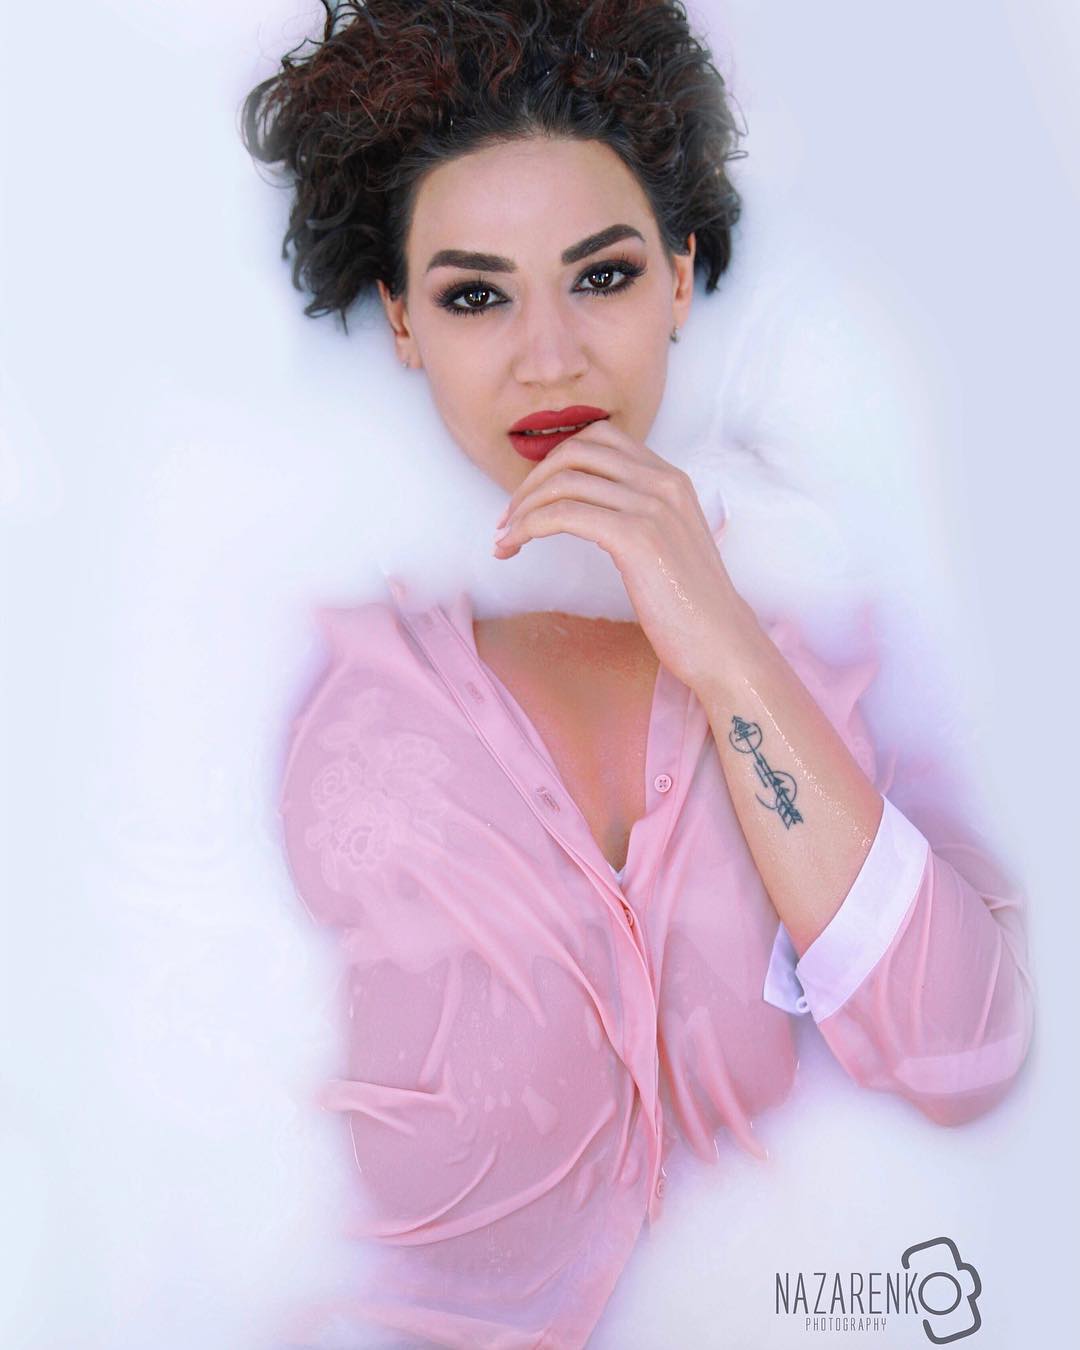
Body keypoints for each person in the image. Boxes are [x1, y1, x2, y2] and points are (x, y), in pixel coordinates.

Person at [241, 2, 1036, 1345]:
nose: (549, 354)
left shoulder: (828, 639)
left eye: (601, 277)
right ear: (400, 322)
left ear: (678, 280)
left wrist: (717, 637)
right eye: (476, 295)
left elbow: (967, 1056)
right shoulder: (329, 703)